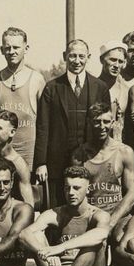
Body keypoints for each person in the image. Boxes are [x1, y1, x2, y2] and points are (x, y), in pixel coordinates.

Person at [20, 166, 112, 266]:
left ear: (88, 189)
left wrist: (59, 248)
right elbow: (24, 234)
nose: (71, 193)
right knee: (36, 235)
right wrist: (45, 253)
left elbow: (102, 233)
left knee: (93, 243)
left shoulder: (98, 215)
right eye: (67, 188)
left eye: (76, 188)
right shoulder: (56, 214)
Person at [35, 39, 111, 206]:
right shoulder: (52, 87)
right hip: (57, 162)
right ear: (65, 57)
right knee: (58, 209)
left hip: (90, 159)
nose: (77, 61)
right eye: (72, 56)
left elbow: (106, 126)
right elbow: (43, 127)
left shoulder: (100, 87)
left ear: (88, 57)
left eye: (81, 56)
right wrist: (41, 163)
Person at [70, 102, 134, 242]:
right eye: (97, 122)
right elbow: (77, 192)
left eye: (106, 122)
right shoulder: (79, 155)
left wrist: (111, 222)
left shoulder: (124, 152)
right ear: (89, 123)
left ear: (113, 123)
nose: (102, 126)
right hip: (91, 215)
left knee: (122, 240)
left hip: (117, 215)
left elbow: (131, 195)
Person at [0, 26, 45, 170]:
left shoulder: (37, 79)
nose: (12, 52)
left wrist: (41, 162)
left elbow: (44, 124)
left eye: (16, 47)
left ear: (26, 48)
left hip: (28, 155)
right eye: (8, 48)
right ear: (1, 50)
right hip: (0, 154)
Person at [97, 40, 130, 142]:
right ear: (102, 60)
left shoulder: (126, 90)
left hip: (120, 146)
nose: (116, 65)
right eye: (112, 60)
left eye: (120, 61)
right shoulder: (93, 87)